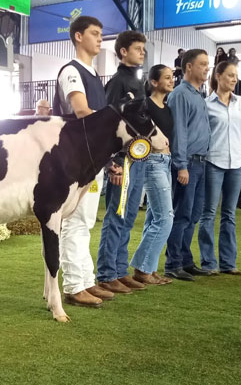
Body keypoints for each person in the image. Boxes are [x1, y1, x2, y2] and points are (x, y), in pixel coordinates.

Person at [52, 15, 112, 307]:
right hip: (74, 160)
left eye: (101, 33)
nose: (100, 38)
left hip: (92, 159)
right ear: (78, 36)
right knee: (75, 221)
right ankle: (75, 285)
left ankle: (86, 280)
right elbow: (81, 111)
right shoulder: (71, 71)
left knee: (85, 221)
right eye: (94, 33)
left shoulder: (92, 74)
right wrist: (114, 125)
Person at [96, 31, 155, 294]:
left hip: (138, 157)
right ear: (123, 52)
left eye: (143, 48)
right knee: (116, 215)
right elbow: (109, 123)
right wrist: (115, 162)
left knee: (129, 216)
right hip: (123, 160)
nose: (142, 52)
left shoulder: (138, 81)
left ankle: (120, 270)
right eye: (137, 48)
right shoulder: (118, 82)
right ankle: (107, 273)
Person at [197, 62, 241, 276]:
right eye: (230, 75)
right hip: (212, 162)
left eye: (235, 75)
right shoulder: (206, 104)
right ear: (218, 76)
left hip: (236, 164)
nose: (234, 79)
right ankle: (208, 263)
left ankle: (228, 263)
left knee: (229, 214)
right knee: (208, 213)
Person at [164, 49, 211, 282]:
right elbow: (179, 132)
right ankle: (173, 263)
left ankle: (185, 260)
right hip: (188, 163)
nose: (207, 68)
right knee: (182, 213)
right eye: (202, 64)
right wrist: (181, 165)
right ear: (189, 67)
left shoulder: (198, 95)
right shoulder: (181, 94)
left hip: (200, 162)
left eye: (208, 64)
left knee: (193, 214)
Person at [130, 64, 174, 285]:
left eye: (172, 77)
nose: (171, 80)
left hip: (166, 162)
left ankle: (149, 267)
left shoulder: (167, 107)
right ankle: (143, 269)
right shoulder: (145, 106)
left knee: (154, 218)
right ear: (154, 82)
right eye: (167, 77)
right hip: (152, 162)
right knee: (165, 218)